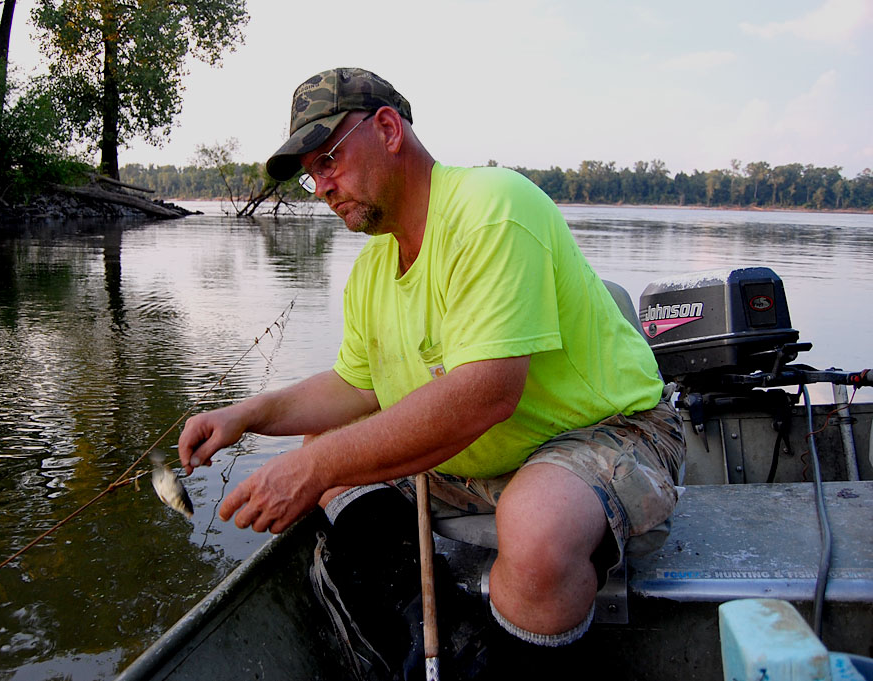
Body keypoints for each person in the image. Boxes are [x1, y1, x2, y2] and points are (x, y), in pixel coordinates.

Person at [178, 67, 686, 673]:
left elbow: (487, 393)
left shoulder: (490, 206)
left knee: (535, 526)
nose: (322, 187)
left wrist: (309, 468)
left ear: (388, 129)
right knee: (328, 450)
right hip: (477, 459)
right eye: (313, 173)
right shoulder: (373, 268)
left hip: (605, 431)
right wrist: (248, 415)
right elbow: (355, 386)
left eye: (330, 159)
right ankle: (441, 632)